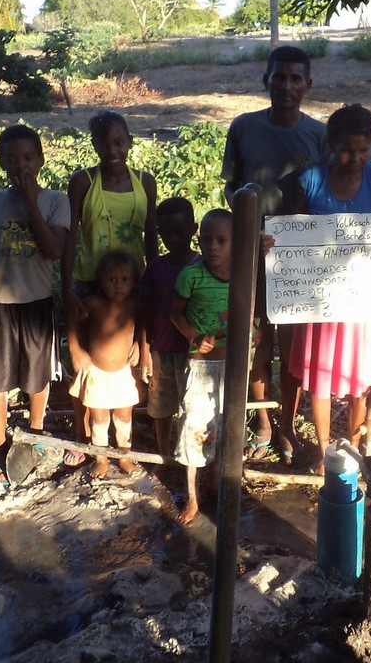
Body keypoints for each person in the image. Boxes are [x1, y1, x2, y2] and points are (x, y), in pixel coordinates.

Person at [221, 45, 327, 462]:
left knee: (293, 346)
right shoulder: (244, 127)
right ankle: (263, 423)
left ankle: (287, 424)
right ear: (265, 80)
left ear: (308, 85)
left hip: (301, 262)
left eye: (295, 78)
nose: (286, 85)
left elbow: (327, 196)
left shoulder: (318, 135)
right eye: (278, 77)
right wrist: (251, 228)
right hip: (253, 255)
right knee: (258, 340)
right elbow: (232, 188)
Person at [289, 103, 371, 472]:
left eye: (364, 150)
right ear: (332, 144)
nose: (356, 158)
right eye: (347, 150)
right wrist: (274, 243)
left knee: (359, 380)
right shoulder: (310, 181)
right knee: (320, 378)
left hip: (363, 302)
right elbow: (292, 234)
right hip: (320, 299)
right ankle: (323, 449)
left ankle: (351, 446)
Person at [0, 125, 70, 483]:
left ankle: (35, 434)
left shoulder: (55, 201)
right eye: (12, 159)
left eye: (27, 157)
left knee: (37, 374)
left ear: (40, 160)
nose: (20, 165)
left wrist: (29, 203)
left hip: (36, 301)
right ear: (2, 163)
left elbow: (54, 250)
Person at [62, 110, 158, 464]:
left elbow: (151, 238)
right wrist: (67, 288)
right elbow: (70, 236)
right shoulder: (83, 181)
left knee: (124, 361)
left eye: (119, 142)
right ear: (95, 145)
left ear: (130, 142)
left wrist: (152, 283)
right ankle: (82, 435)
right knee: (87, 365)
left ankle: (122, 438)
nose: (113, 150)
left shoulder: (145, 182)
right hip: (91, 282)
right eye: (105, 144)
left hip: (131, 285)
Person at [171, 209, 239, 524]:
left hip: (233, 368)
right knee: (195, 430)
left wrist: (255, 331)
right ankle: (193, 497)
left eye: (222, 240)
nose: (213, 246)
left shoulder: (243, 274)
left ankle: (214, 484)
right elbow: (175, 313)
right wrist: (194, 337)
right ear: (198, 238)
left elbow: (250, 310)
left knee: (224, 428)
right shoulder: (191, 276)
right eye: (207, 239)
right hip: (199, 368)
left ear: (235, 242)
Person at [67, 250, 146, 478]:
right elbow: (72, 320)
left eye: (124, 279)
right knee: (99, 419)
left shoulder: (134, 305)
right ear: (101, 281)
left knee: (124, 418)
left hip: (123, 373)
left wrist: (140, 346)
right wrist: (76, 350)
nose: (118, 285)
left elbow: (144, 326)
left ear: (133, 282)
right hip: (97, 373)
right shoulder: (93, 304)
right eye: (112, 279)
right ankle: (101, 459)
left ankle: (124, 457)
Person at [139, 197, 199, 457]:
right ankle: (164, 455)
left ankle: (189, 456)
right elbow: (146, 313)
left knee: (192, 407)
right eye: (166, 234)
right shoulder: (156, 269)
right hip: (161, 352)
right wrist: (145, 353)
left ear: (193, 230)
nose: (173, 239)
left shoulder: (203, 267)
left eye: (179, 232)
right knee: (161, 408)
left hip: (194, 354)